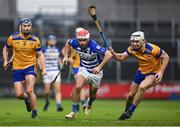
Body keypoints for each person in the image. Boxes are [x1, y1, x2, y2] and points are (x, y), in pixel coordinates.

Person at [109, 31, 169, 120]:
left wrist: (161, 72)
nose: (134, 44)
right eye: (132, 42)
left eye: (137, 42)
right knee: (130, 95)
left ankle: (131, 111)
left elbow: (165, 56)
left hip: (153, 73)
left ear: (143, 41)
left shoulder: (152, 49)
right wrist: (113, 54)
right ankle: (126, 113)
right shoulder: (131, 49)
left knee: (142, 87)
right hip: (141, 72)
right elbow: (121, 58)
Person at [2, 18, 46, 118]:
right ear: (20, 27)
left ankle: (34, 113)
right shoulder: (13, 38)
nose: (26, 28)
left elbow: (40, 55)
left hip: (30, 66)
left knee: (30, 90)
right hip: (17, 67)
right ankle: (26, 99)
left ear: (31, 27)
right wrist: (5, 60)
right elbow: (5, 49)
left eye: (28, 26)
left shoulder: (35, 40)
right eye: (24, 26)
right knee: (19, 94)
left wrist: (43, 69)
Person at [63, 29, 112, 119]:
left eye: (84, 40)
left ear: (88, 39)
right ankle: (73, 111)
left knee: (92, 95)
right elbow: (68, 43)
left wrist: (99, 67)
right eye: (80, 40)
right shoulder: (74, 42)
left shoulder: (94, 46)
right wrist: (66, 56)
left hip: (96, 72)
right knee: (77, 87)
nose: (82, 42)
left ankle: (89, 103)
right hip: (83, 69)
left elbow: (109, 54)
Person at [63, 27, 86, 112]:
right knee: (80, 87)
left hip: (83, 67)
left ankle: (81, 103)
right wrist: (67, 57)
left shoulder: (83, 43)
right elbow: (64, 49)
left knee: (79, 87)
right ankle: (82, 104)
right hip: (76, 67)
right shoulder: (73, 43)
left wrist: (69, 58)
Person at [42, 35, 63, 111]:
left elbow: (59, 59)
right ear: (48, 41)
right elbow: (40, 59)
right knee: (47, 92)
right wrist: (42, 68)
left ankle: (58, 105)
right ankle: (47, 102)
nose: (52, 41)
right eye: (50, 40)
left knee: (57, 89)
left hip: (55, 72)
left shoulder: (57, 50)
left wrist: (60, 65)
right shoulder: (44, 50)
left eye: (53, 40)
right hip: (47, 72)